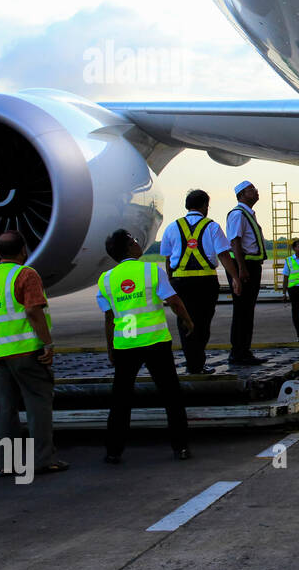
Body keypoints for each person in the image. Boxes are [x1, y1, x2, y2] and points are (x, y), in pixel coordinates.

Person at [97, 229, 195, 463]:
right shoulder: (152, 271)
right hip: (155, 342)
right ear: (130, 248)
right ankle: (180, 447)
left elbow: (109, 319)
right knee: (171, 396)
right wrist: (188, 320)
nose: (138, 243)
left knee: (120, 400)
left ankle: (113, 451)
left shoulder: (106, 279)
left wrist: (111, 348)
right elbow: (174, 301)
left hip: (125, 345)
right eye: (134, 241)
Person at [0, 230, 65, 474]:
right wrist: (48, 343)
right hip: (25, 351)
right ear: (23, 250)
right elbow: (34, 310)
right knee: (38, 404)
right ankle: (44, 459)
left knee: (4, 408)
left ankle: (5, 463)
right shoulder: (25, 274)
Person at [160, 189, 240, 374]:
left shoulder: (172, 227)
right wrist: (235, 278)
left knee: (185, 323)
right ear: (205, 205)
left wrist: (171, 281)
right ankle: (197, 362)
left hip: (181, 282)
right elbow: (224, 255)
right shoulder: (212, 227)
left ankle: (192, 363)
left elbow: (168, 257)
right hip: (206, 282)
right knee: (203, 323)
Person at [226, 180, 268, 365]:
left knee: (247, 311)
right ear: (241, 194)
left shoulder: (247, 214)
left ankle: (243, 350)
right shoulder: (238, 214)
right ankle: (238, 352)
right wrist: (241, 269)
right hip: (245, 266)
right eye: (252, 189)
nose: (256, 192)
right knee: (242, 311)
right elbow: (235, 242)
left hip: (251, 266)